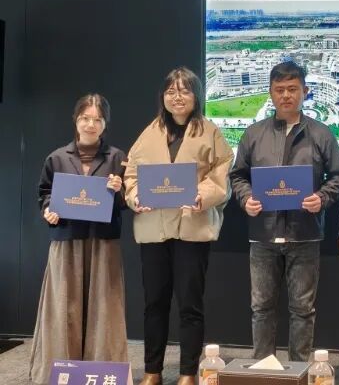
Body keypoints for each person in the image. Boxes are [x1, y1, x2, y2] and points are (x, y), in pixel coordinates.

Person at [230, 61, 339, 362]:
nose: (286, 95)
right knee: (261, 308)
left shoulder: (321, 134)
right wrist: (246, 198)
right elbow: (238, 176)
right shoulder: (253, 134)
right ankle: (263, 370)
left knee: (303, 309)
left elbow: (338, 177)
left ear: (305, 91)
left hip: (304, 234)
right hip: (263, 234)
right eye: (279, 89)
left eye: (292, 89)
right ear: (270, 93)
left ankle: (300, 371)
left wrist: (322, 198)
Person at [124, 67, 233, 385]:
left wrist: (202, 196)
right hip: (154, 228)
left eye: (184, 90)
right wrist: (134, 197)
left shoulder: (210, 132)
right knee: (154, 304)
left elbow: (222, 173)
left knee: (190, 304)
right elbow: (131, 174)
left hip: (191, 228)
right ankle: (152, 370)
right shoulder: (148, 134)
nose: (177, 97)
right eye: (171, 91)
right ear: (163, 97)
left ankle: (187, 372)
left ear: (196, 95)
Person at [29, 94, 128, 385]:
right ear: (76, 120)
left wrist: (119, 190)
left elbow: (126, 202)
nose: (91, 124)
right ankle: (61, 371)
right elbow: (44, 194)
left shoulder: (117, 158)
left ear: (105, 123)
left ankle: (103, 371)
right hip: (67, 240)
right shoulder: (57, 157)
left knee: (104, 307)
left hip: (103, 242)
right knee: (63, 306)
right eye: (85, 118)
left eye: (97, 119)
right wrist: (48, 210)